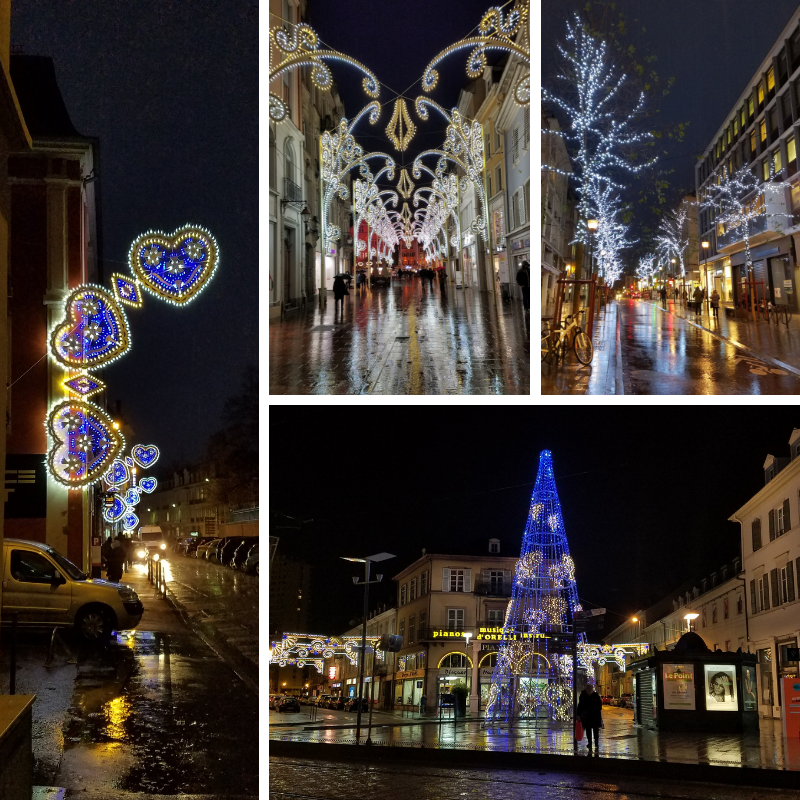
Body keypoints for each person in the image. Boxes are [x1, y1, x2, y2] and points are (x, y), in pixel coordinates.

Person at [577, 682, 603, 753]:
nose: (589, 690)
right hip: (588, 716)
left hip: (594, 716)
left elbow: (600, 705)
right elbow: (580, 705)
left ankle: (596, 743)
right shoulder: (584, 695)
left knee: (595, 730)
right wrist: (578, 714)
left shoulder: (594, 695)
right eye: (588, 689)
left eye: (590, 689)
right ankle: (590, 743)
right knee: (589, 730)